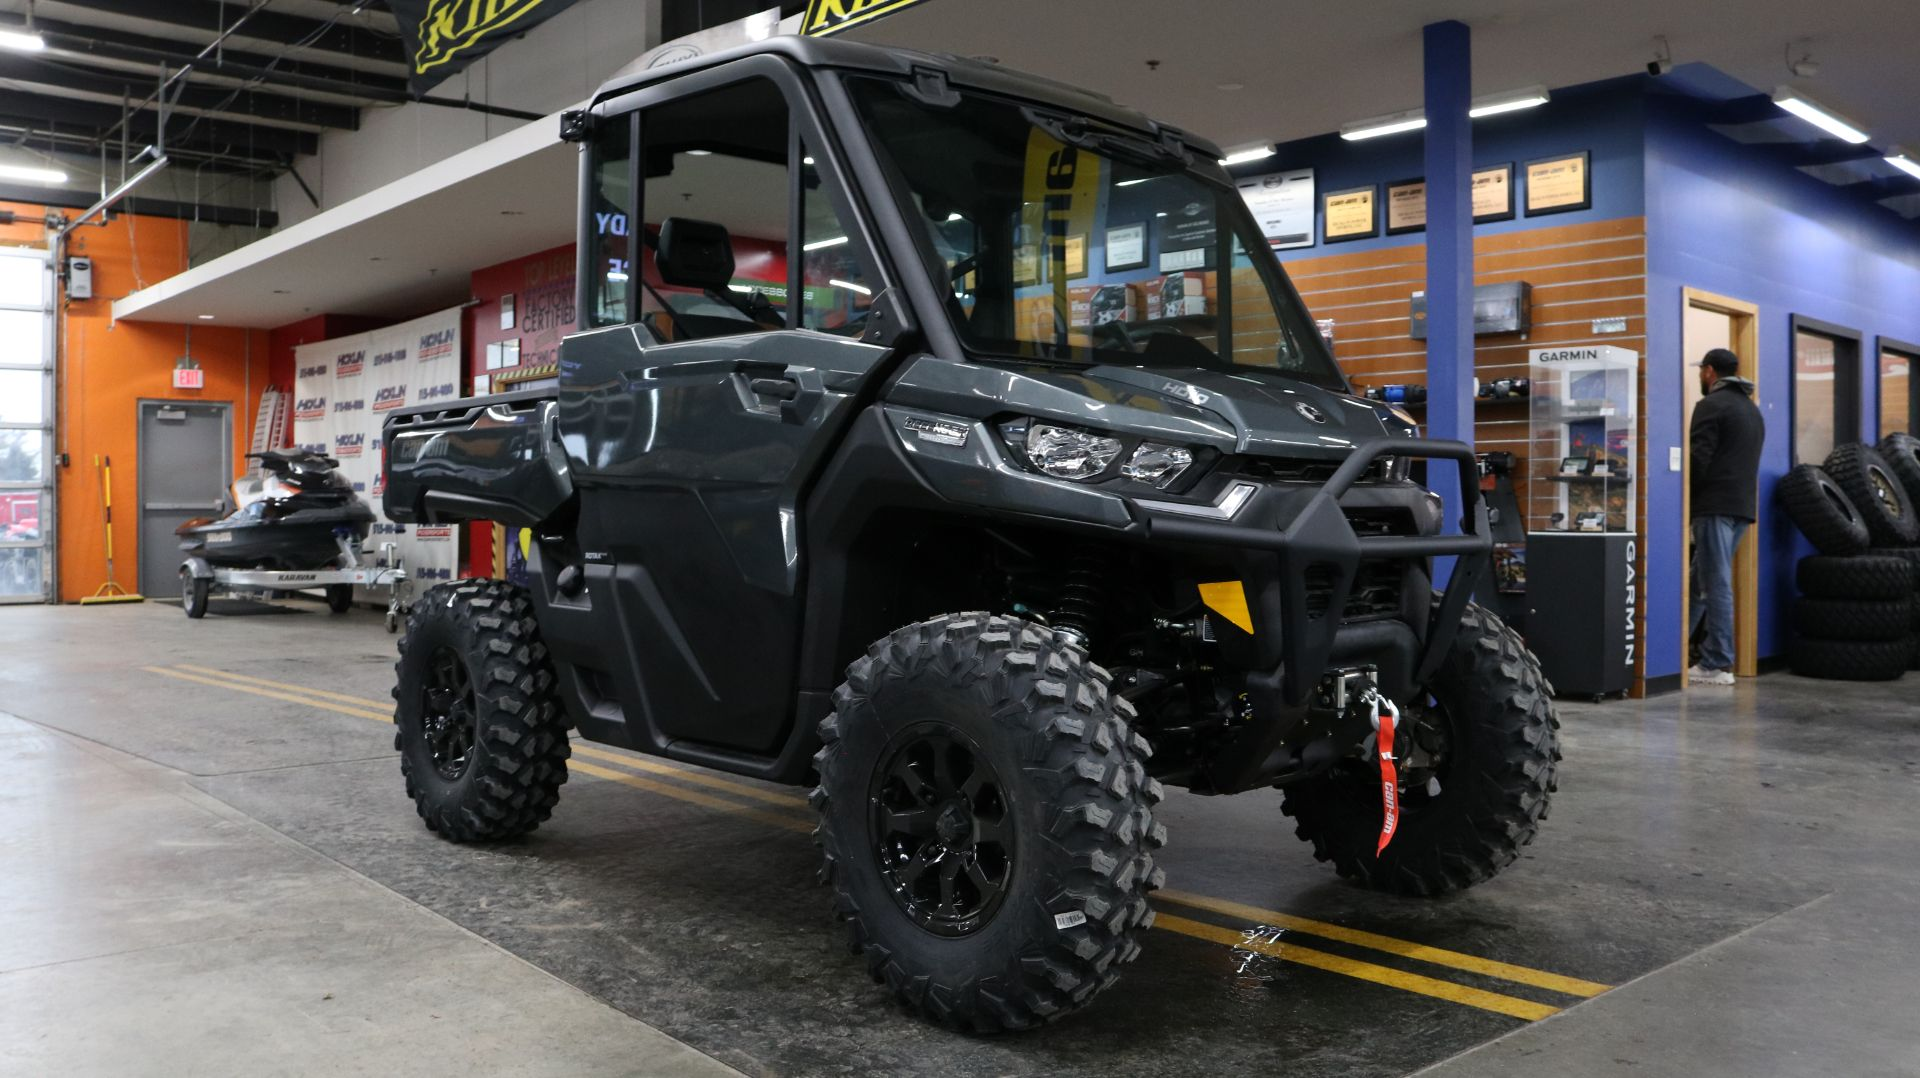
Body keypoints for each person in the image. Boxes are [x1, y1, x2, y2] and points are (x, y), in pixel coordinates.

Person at [1688, 347, 1764, 685]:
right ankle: (1677, 652)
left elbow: (1698, 459)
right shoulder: (1751, 410)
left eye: (1701, 372)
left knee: (1715, 582)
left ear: (1709, 372)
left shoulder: (1710, 406)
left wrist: (1683, 500)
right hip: (1741, 508)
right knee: (1699, 583)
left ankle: (1717, 663)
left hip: (1713, 506)